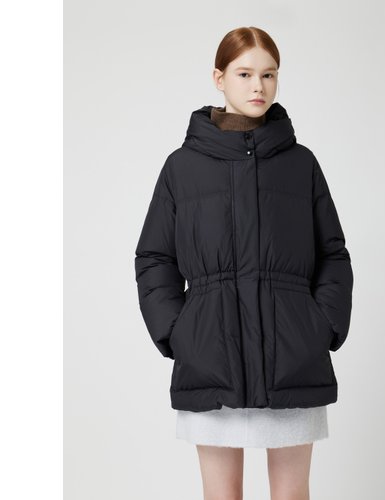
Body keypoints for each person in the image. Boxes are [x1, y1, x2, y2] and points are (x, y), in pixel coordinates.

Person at [134, 26, 353, 500]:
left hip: (293, 358)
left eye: (269, 75)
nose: (259, 86)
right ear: (219, 78)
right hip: (211, 359)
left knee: (291, 494)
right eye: (245, 73)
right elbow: (155, 256)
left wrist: (322, 327)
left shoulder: (301, 164)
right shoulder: (181, 167)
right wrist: (179, 332)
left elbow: (332, 254)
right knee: (222, 495)